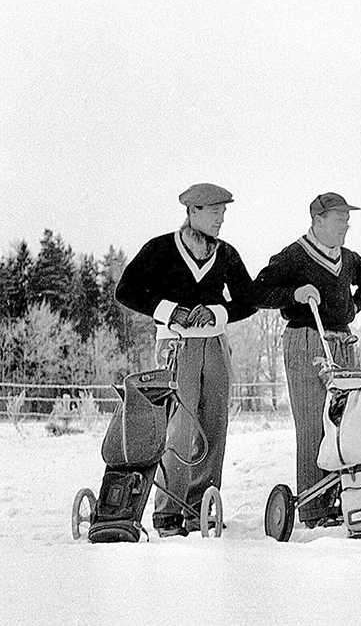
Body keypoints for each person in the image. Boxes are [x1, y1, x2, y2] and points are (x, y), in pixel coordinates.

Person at [115, 182, 257, 537]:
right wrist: (169, 311)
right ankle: (168, 513)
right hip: (175, 347)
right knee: (178, 429)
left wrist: (215, 313)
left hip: (214, 347)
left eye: (224, 212)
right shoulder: (160, 249)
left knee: (213, 426)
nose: (221, 218)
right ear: (192, 212)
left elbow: (249, 299)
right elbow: (126, 291)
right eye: (215, 212)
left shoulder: (226, 254)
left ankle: (200, 508)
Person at [251, 192, 361, 528]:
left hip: (342, 341)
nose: (347, 224)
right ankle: (313, 509)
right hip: (306, 341)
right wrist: (293, 295)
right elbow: (255, 293)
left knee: (345, 424)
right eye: (340, 218)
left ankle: (341, 499)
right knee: (314, 425)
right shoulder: (294, 257)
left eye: (347, 218)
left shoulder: (348, 259)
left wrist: (353, 307)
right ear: (318, 221)